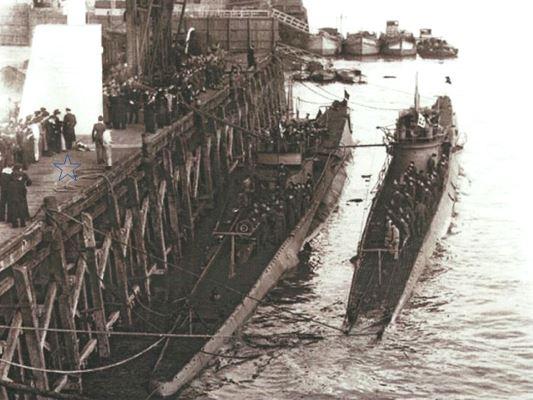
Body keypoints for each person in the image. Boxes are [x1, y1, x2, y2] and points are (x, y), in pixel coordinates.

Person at [7, 164, 31, 228]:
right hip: (21, 192)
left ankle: (14, 224)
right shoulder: (23, 174)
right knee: (22, 207)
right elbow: (29, 182)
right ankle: (23, 223)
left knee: (14, 208)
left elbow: (7, 183)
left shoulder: (11, 174)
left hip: (13, 193)